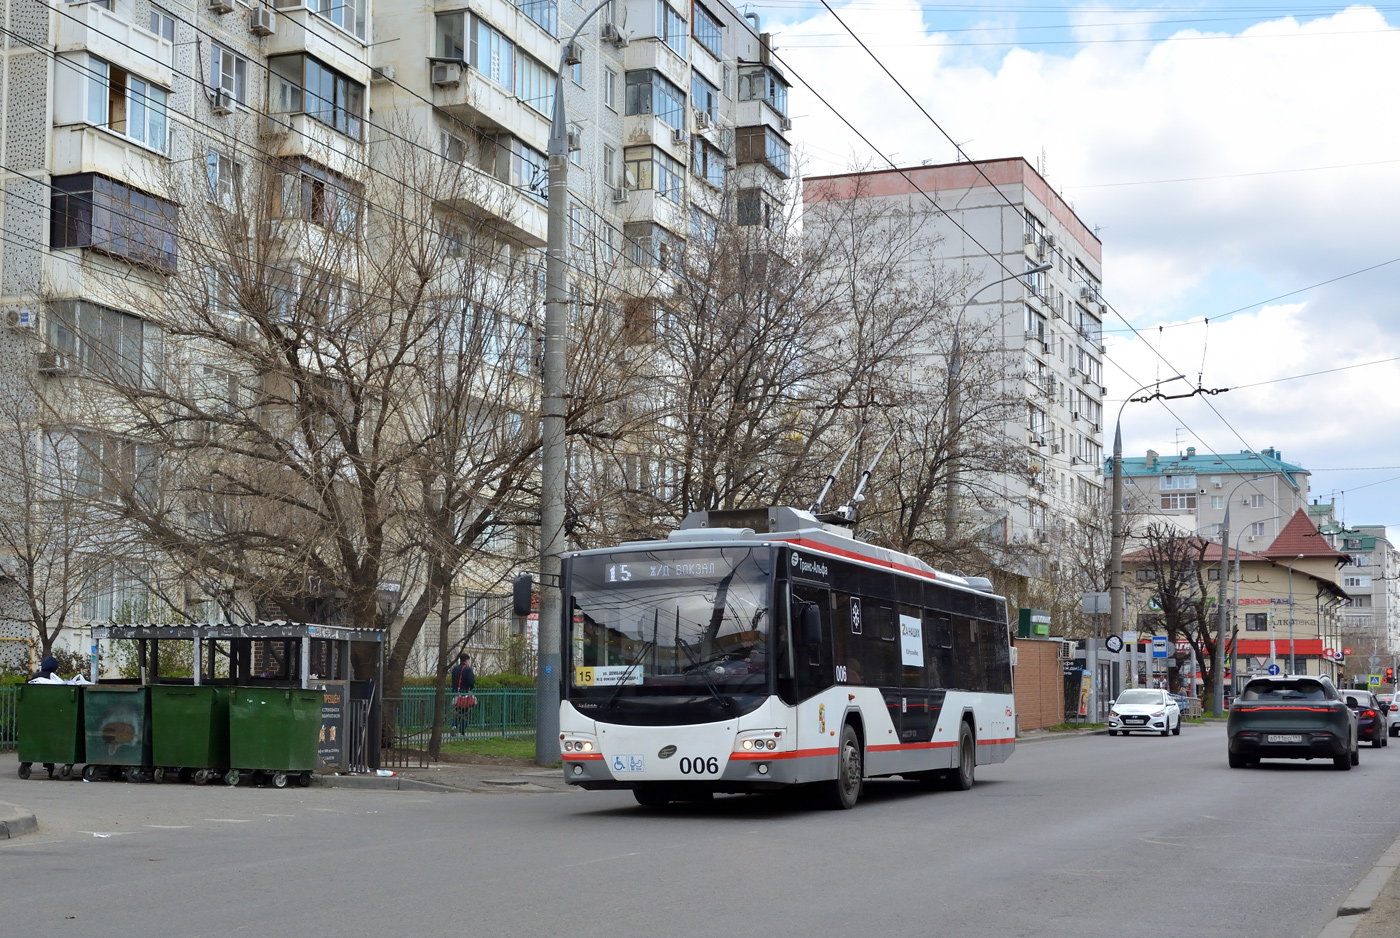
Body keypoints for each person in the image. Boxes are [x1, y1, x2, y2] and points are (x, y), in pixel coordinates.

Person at [449, 653, 475, 734]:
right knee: (465, 712)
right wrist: (471, 688)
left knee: (458, 711)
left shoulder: (455, 669)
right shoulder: (468, 669)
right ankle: (462, 731)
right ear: (467, 660)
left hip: (456, 693)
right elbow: (471, 681)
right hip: (465, 693)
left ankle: (454, 725)